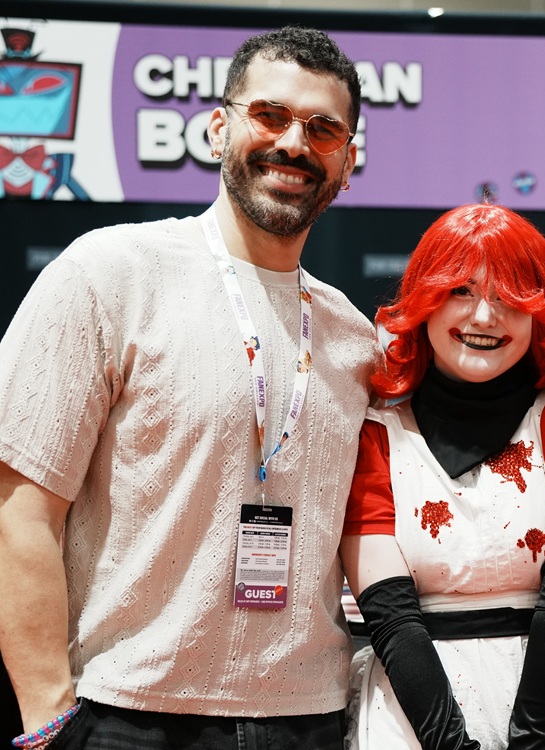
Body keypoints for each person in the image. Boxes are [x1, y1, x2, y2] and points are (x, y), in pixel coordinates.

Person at [0, 26, 374, 750]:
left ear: (348, 163)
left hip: (307, 719)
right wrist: (49, 715)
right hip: (124, 712)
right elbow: (19, 509)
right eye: (269, 115)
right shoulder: (108, 275)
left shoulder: (354, 339)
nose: (294, 143)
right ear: (217, 128)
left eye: (323, 129)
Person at [339, 203, 545, 750]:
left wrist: (528, 744)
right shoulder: (377, 428)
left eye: (509, 298)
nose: (484, 317)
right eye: (461, 291)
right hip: (417, 709)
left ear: (539, 313)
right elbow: (389, 615)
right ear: (424, 302)